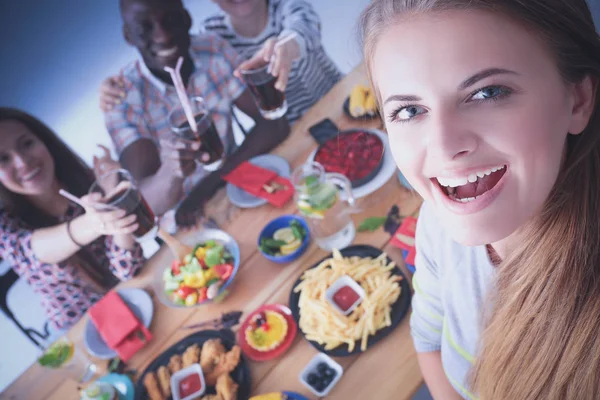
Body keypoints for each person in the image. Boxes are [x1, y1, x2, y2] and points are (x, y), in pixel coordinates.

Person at [360, 0, 600, 398]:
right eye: (409, 110)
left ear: (577, 100)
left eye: (488, 92)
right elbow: (429, 340)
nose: (443, 146)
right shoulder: (436, 224)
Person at [104, 0, 290, 228]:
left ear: (186, 18)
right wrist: (171, 173)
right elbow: (145, 203)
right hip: (183, 224)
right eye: (145, 27)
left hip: (238, 185)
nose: (163, 36)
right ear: (128, 35)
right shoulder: (122, 100)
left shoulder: (212, 50)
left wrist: (207, 186)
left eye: (171, 19)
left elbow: (274, 123)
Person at [0, 108, 145, 331]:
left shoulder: (82, 180)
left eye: (27, 144)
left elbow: (127, 270)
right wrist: (95, 222)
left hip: (136, 304)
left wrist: (114, 198)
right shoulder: (5, 227)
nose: (22, 162)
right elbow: (34, 250)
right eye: (3, 158)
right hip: (84, 335)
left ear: (44, 141)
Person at [101, 0, 342, 125]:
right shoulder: (213, 37)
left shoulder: (287, 6)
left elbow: (305, 28)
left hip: (338, 101)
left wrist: (288, 45)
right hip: (289, 131)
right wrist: (111, 89)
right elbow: (176, 62)